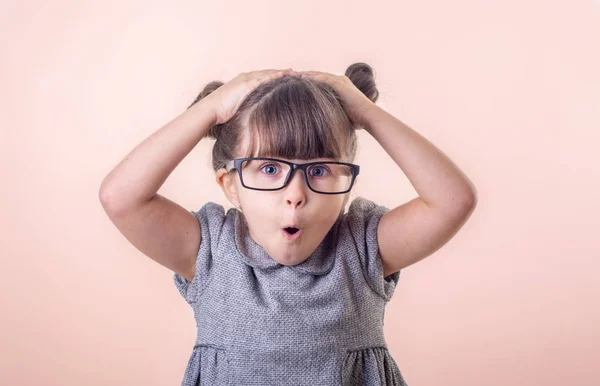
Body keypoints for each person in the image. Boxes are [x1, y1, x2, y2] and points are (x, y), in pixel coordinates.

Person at [99, 63, 477, 385]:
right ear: (229, 185)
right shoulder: (209, 251)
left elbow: (452, 201)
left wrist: (366, 113)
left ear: (347, 185)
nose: (295, 194)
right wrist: (211, 110)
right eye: (269, 168)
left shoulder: (363, 249)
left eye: (319, 169)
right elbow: (121, 198)